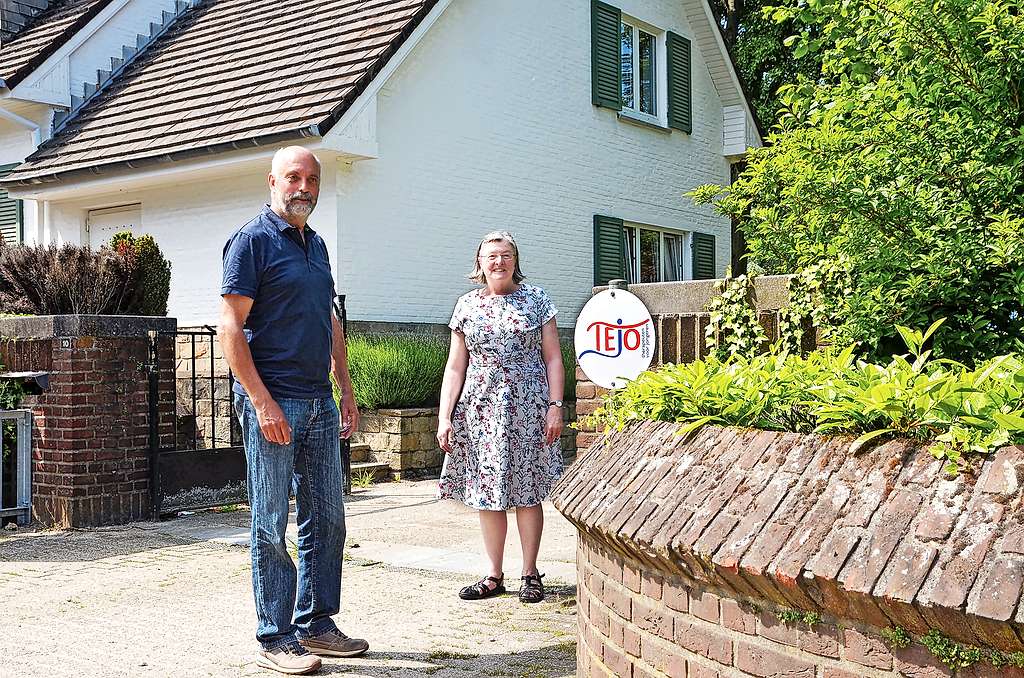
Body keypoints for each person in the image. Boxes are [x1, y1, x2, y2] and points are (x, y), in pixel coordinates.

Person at [218, 146, 367, 676]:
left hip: (319, 401)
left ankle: (317, 624)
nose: (302, 187)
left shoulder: (317, 246)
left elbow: (330, 321)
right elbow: (230, 328)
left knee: (327, 517)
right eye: (293, 178)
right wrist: (260, 401)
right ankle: (275, 635)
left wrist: (345, 389)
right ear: (273, 181)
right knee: (269, 521)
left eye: (311, 179)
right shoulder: (252, 241)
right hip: (273, 400)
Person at [436, 231, 565, 604]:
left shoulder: (537, 300)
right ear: (479, 263)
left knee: (527, 491)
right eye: (491, 256)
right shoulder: (466, 306)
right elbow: (455, 367)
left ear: (516, 261)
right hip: (479, 412)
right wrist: (445, 416)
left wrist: (555, 406)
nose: (499, 262)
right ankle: (493, 575)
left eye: (506, 255)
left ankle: (530, 572)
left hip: (528, 408)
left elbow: (554, 357)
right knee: (486, 493)